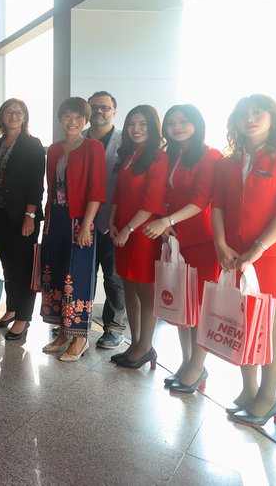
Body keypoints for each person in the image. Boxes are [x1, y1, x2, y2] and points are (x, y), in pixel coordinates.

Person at [212, 95, 276, 427]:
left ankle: (269, 397)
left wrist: (259, 247)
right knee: (242, 324)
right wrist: (221, 244)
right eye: (243, 114)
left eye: (257, 112)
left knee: (269, 326)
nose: (250, 118)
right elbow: (219, 206)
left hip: (271, 255)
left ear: (272, 117)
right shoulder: (226, 163)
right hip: (233, 256)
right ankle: (249, 390)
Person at [143, 105, 221, 392]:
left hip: (202, 239)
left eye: (184, 122)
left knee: (199, 306)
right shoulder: (169, 156)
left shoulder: (210, 155)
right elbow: (160, 194)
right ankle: (187, 361)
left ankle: (198, 366)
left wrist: (168, 220)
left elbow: (202, 200)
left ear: (196, 124)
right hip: (174, 237)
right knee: (181, 304)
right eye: (172, 122)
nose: (177, 127)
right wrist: (165, 225)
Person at [39, 98, 105, 361]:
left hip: (79, 219)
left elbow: (97, 191)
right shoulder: (54, 149)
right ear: (60, 119)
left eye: (79, 117)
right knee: (55, 273)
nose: (73, 121)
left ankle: (80, 337)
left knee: (76, 276)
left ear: (86, 120)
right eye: (67, 116)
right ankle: (63, 331)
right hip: (55, 217)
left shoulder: (93, 147)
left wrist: (87, 225)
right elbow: (52, 188)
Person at [109, 105, 167, 370]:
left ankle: (146, 346)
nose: (136, 129)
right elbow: (120, 193)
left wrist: (128, 229)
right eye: (132, 124)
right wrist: (112, 220)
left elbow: (152, 201)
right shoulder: (130, 154)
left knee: (145, 289)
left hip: (143, 232)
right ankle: (136, 344)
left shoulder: (158, 157)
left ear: (153, 127)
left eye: (142, 124)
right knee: (129, 287)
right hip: (123, 229)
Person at [0, 99, 46, 342]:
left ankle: (23, 317)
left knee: (24, 267)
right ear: (2, 116)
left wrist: (30, 215)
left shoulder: (33, 145)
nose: (13, 116)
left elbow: (36, 183)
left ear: (25, 117)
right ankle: (11, 308)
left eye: (18, 112)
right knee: (9, 266)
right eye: (9, 112)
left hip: (24, 216)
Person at [85, 91, 127, 349]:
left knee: (112, 277)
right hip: (83, 221)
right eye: (95, 106)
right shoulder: (78, 138)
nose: (99, 111)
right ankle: (78, 319)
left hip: (113, 221)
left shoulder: (126, 141)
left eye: (105, 107)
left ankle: (114, 327)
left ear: (114, 111)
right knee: (81, 274)